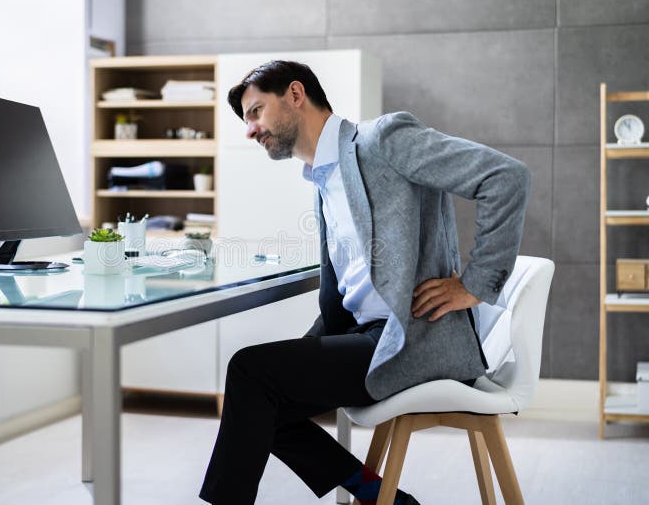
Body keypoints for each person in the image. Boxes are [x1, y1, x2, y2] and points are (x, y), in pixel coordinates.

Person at [199, 60, 529, 505]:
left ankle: (375, 496)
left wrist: (474, 285)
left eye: (256, 111)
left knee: (250, 373)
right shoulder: (322, 178)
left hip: (415, 338)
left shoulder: (383, 140)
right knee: (257, 398)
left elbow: (506, 177)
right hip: (366, 333)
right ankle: (385, 497)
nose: (250, 130)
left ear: (295, 94)